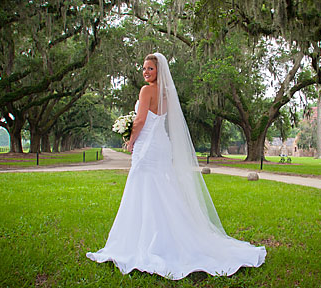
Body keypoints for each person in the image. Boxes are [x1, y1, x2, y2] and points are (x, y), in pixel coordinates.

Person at [86, 53, 266, 280]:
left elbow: (141, 120)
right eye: (144, 68)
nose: (145, 72)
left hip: (148, 144)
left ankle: (145, 240)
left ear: (158, 70)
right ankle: (172, 234)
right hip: (162, 143)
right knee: (161, 187)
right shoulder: (167, 93)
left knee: (143, 186)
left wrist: (130, 139)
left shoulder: (146, 90)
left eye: (150, 69)